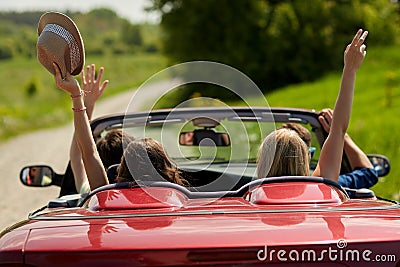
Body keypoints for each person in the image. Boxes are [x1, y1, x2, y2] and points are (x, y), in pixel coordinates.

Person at [257, 29, 368, 183]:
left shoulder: (248, 198)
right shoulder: (319, 187)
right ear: (304, 159)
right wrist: (350, 68)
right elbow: (339, 129)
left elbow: (339, 130)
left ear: (262, 162)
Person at [53, 63, 187, 191]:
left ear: (120, 169)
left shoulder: (105, 197)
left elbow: (87, 152)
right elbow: (88, 153)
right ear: (168, 171)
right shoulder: (182, 203)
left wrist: (78, 97)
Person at [279, 112, 378, 189]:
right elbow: (369, 174)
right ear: (307, 156)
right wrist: (342, 135)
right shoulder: (322, 186)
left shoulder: (262, 190)